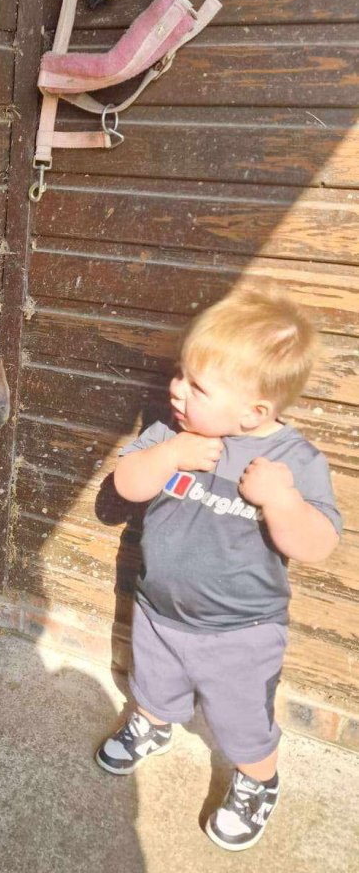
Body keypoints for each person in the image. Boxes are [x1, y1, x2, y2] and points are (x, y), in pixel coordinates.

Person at [95, 289, 341, 851]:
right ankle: (152, 725)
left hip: (241, 634)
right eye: (181, 374)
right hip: (159, 612)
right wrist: (169, 456)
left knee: (241, 721)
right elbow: (127, 484)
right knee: (153, 684)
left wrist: (282, 501)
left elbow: (319, 543)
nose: (177, 390)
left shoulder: (292, 462)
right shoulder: (173, 436)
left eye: (198, 387)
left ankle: (258, 779)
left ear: (256, 411)